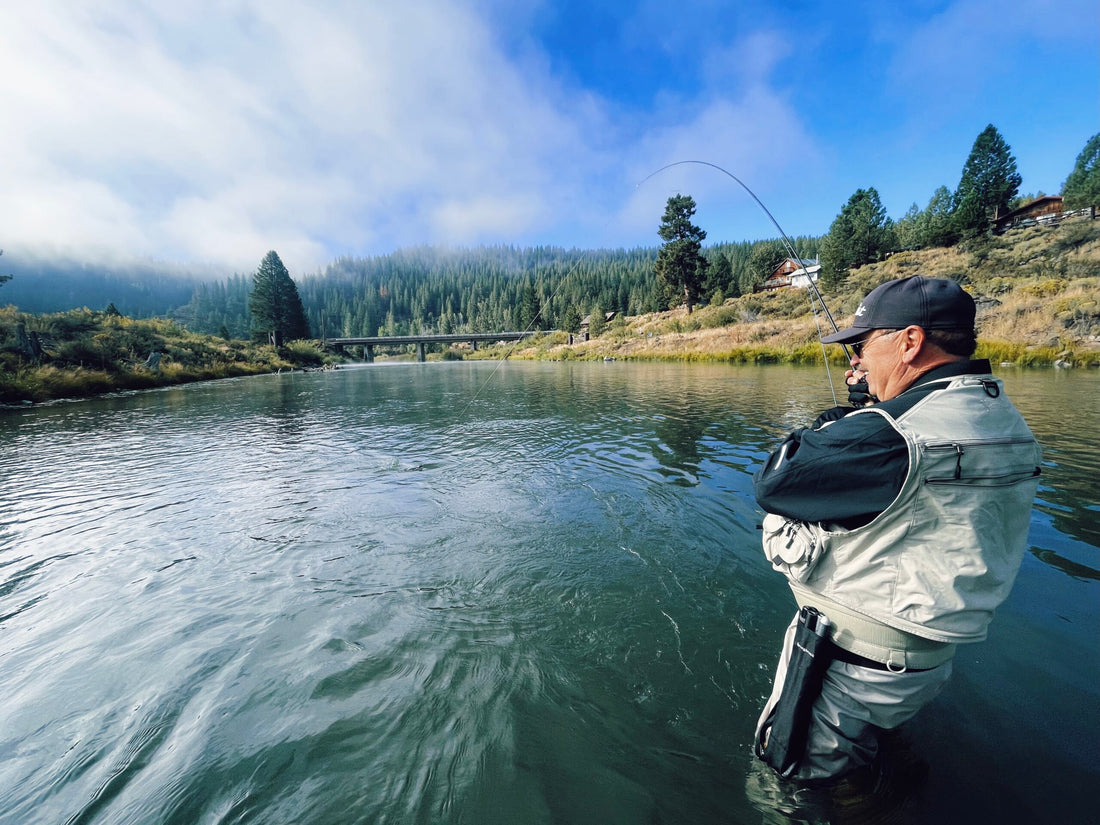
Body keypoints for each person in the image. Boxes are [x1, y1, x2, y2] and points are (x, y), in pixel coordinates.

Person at [751, 275, 1042, 782]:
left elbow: (778, 480)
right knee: (868, 760)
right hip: (923, 661)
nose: (855, 362)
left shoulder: (893, 434)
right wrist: (877, 408)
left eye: (862, 345)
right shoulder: (1004, 417)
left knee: (790, 785)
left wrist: (839, 418)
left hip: (847, 664)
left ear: (909, 342)